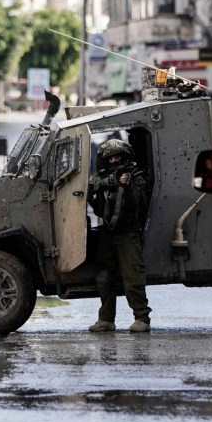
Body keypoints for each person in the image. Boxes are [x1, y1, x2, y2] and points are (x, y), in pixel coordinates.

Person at [87, 138, 152, 333]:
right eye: (110, 158)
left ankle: (142, 317)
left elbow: (138, 204)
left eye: (117, 157)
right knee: (103, 277)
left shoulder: (136, 177)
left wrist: (127, 186)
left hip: (128, 233)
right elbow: (96, 202)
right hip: (108, 233)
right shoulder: (103, 178)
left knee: (132, 276)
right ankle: (106, 319)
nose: (114, 161)